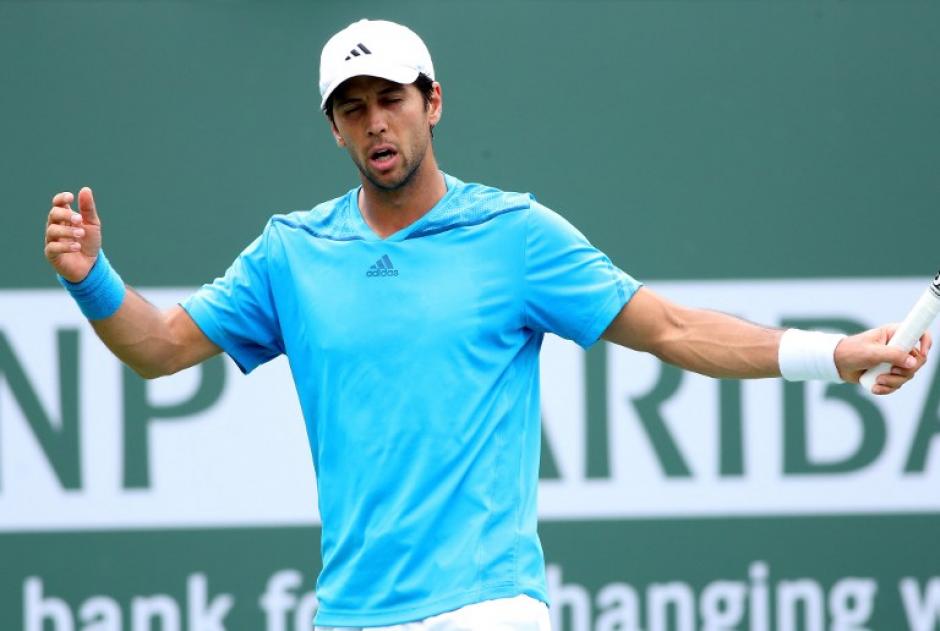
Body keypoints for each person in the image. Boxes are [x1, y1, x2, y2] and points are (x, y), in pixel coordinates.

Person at [43, 18, 931, 631]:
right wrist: (92, 280)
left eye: (390, 97)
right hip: (350, 609)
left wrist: (837, 353)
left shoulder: (515, 236)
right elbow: (157, 349)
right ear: (336, 132)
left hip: (486, 606)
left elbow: (669, 328)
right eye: (352, 108)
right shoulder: (291, 253)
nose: (374, 121)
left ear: (433, 101)